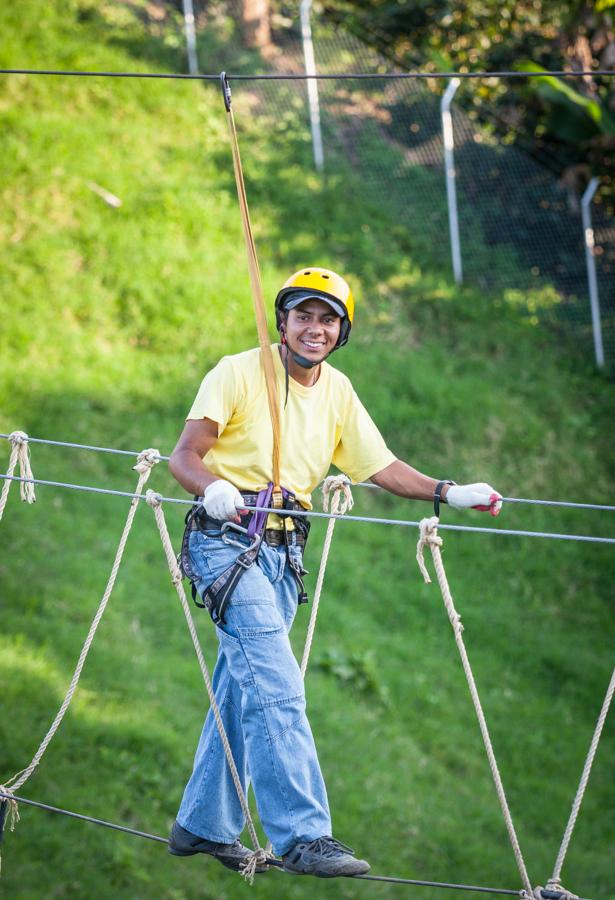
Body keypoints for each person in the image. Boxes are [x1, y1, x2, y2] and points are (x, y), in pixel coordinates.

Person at [167, 267, 501, 878]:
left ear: (341, 332)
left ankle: (202, 825)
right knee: (276, 685)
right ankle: (303, 835)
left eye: (327, 320)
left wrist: (449, 492)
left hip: (283, 554)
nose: (314, 328)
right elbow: (184, 456)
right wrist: (213, 489)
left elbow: (383, 467)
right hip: (225, 542)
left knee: (244, 685)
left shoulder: (338, 392)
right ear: (283, 321)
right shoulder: (238, 371)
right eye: (303, 316)